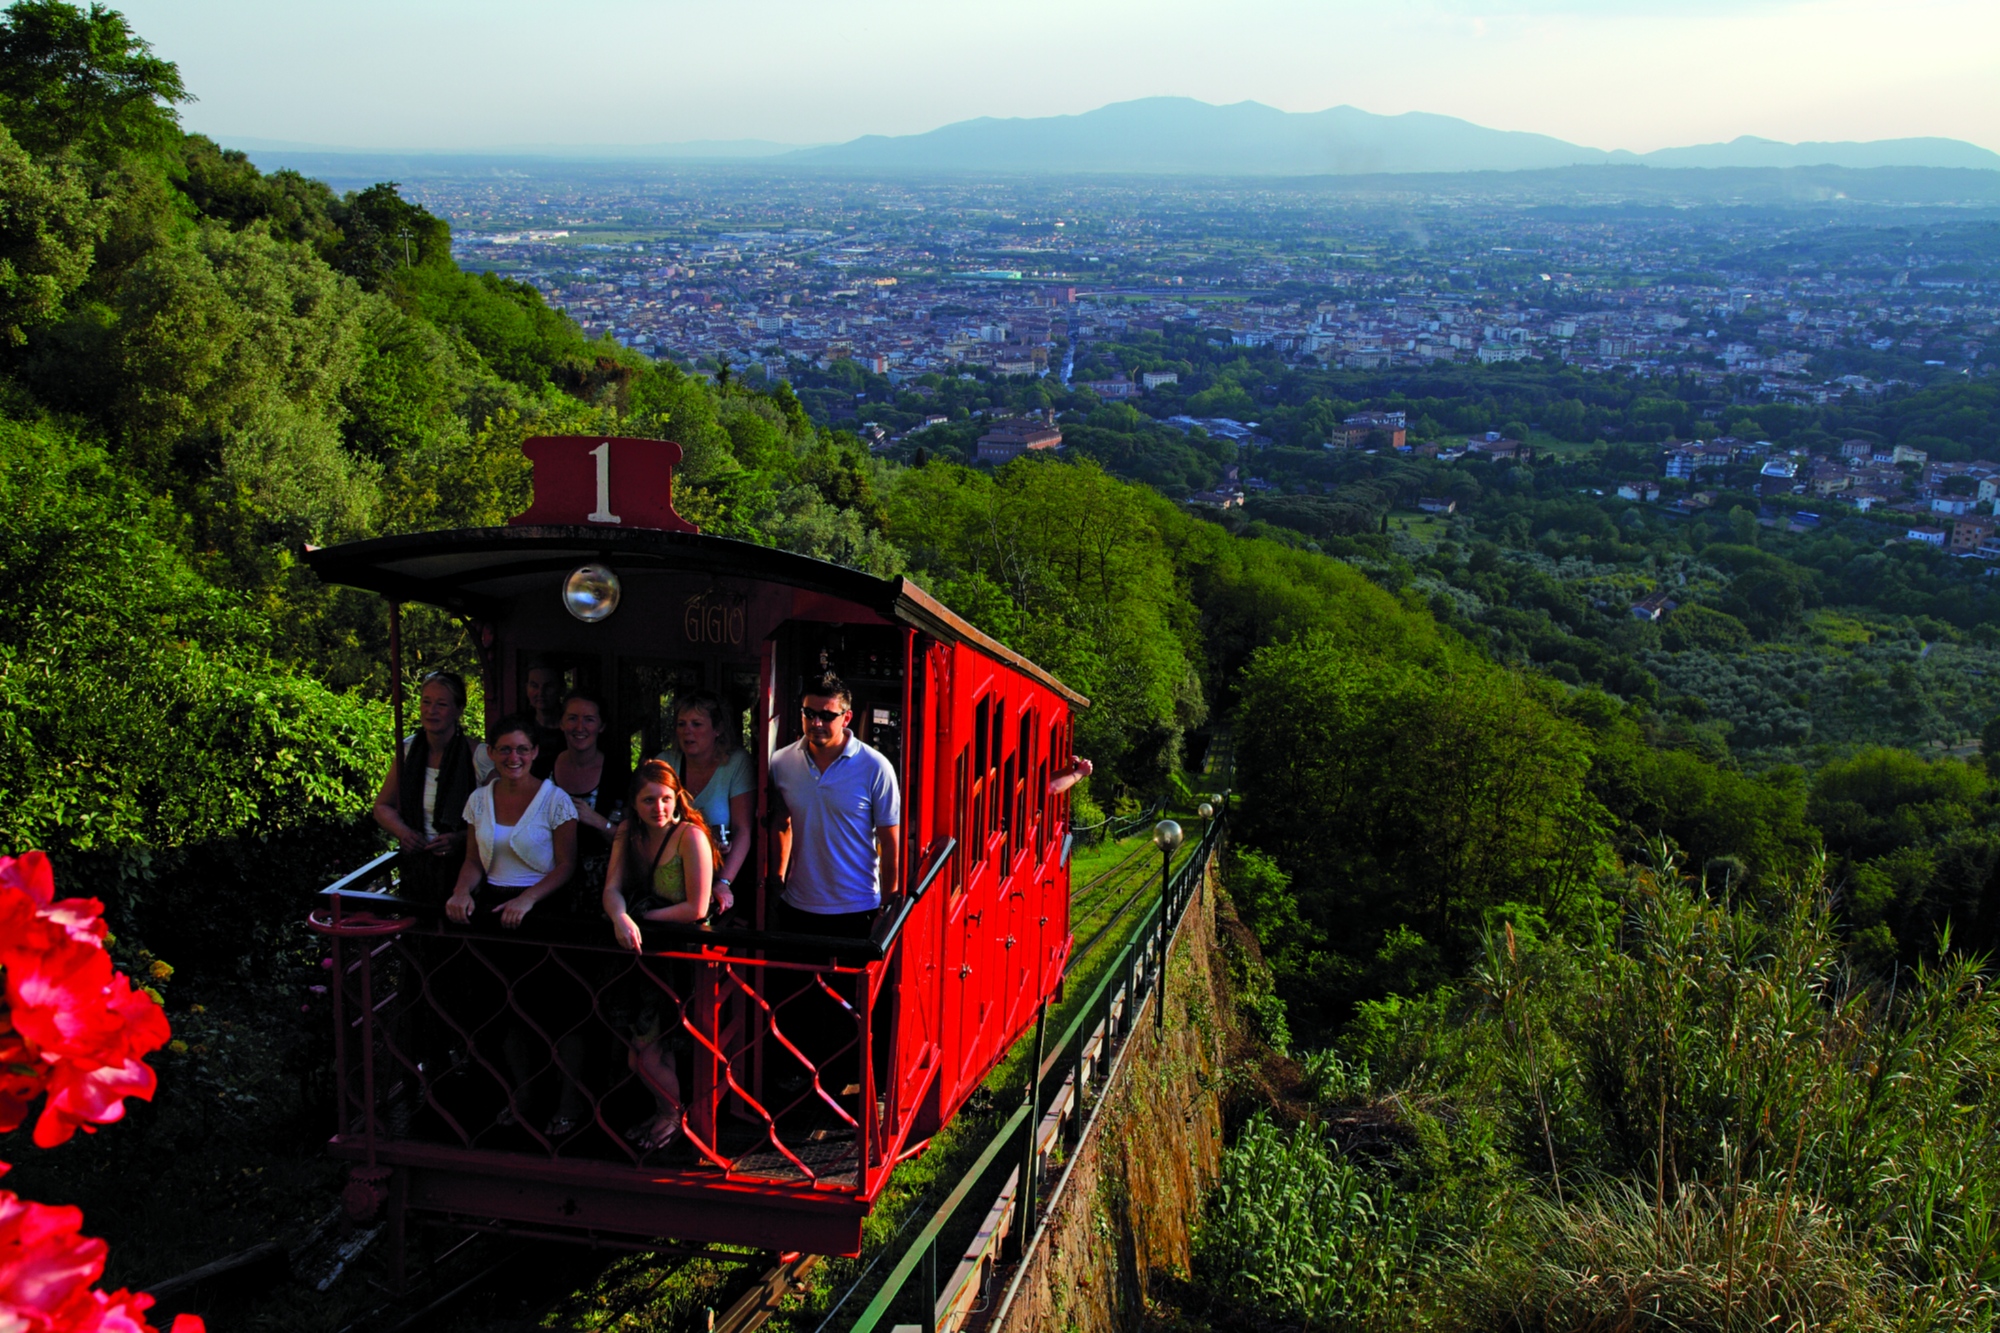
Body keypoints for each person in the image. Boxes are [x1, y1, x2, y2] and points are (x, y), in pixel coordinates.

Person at [767, 673, 901, 1098]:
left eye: (827, 715)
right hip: (800, 903)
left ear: (847, 716)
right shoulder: (782, 763)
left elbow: (890, 838)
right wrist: (776, 878)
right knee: (798, 999)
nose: (817, 723)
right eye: (809, 713)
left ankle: (845, 1082)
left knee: (850, 1004)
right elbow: (779, 822)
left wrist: (891, 903)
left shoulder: (874, 767)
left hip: (856, 906)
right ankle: (799, 1079)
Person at [449, 717, 584, 1136]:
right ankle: (524, 1095)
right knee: (504, 1013)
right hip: (494, 913)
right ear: (490, 753)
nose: (514, 757)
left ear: (535, 753)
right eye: (505, 749)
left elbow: (566, 865)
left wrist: (528, 898)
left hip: (544, 912)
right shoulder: (479, 799)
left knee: (558, 1014)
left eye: (522, 749)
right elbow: (474, 859)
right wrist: (461, 892)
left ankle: (570, 1104)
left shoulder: (555, 800)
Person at [601, 759, 716, 1153]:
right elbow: (611, 888)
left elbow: (697, 907)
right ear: (634, 803)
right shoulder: (626, 835)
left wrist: (641, 918)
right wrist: (619, 916)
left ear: (678, 798)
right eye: (649, 800)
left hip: (678, 961)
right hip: (637, 957)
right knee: (639, 1055)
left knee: (648, 1056)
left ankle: (674, 1114)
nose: (659, 808)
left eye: (666, 799)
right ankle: (665, 1112)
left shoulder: (690, 837)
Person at [370, 671, 492, 898]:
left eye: (441, 704)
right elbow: (382, 806)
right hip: (416, 869)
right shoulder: (408, 750)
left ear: (458, 709)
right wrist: (404, 833)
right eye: (426, 702)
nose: (431, 710)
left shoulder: (478, 756)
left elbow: (501, 818)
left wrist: (461, 838)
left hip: (465, 870)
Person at [655, 691, 754, 915]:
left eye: (696, 724)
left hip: (718, 879)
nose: (687, 730)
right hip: (668, 880)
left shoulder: (736, 763)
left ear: (717, 729)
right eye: (682, 724)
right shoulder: (665, 763)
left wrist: (723, 883)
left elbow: (743, 830)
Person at [538, 691, 628, 897]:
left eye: (589, 720)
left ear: (601, 726)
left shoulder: (619, 775)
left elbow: (632, 840)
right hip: (543, 880)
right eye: (572, 718)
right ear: (561, 723)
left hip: (598, 886)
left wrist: (598, 821)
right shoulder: (540, 770)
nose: (580, 727)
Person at [523, 658, 567, 760]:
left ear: (562, 689)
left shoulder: (572, 728)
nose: (540, 693)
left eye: (548, 686)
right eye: (534, 686)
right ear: (527, 688)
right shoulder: (519, 726)